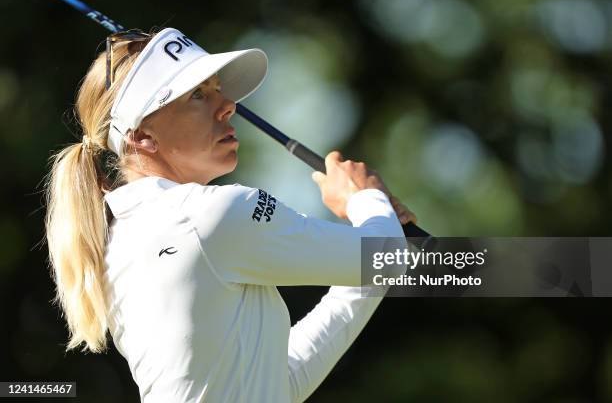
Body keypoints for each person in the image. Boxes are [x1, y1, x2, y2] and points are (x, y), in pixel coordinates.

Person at [45, 27, 415, 402]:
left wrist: (376, 231)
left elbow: (273, 383)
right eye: (197, 95)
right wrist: (364, 199)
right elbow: (387, 257)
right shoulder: (211, 215)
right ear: (142, 137)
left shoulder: (123, 236)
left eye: (217, 89)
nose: (227, 105)